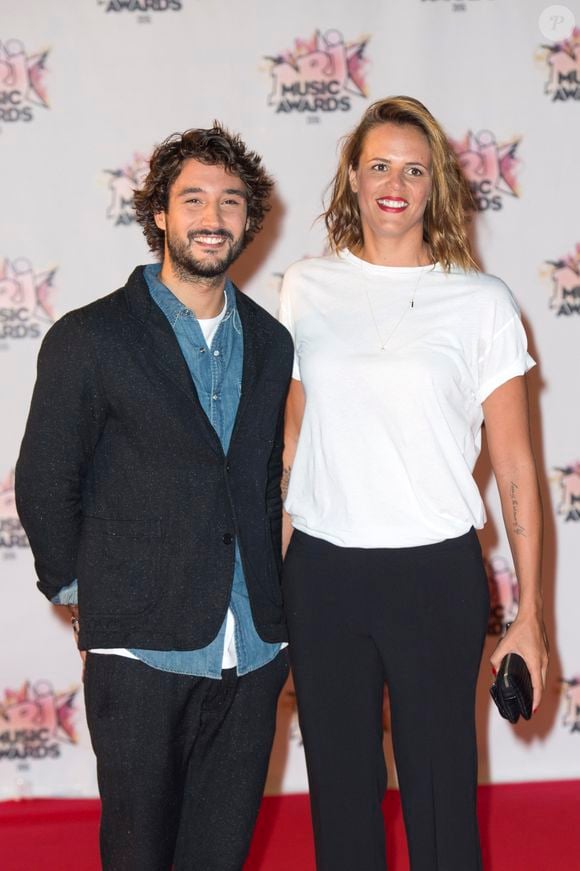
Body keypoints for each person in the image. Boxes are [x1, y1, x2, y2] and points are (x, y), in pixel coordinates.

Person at [279, 96, 549, 871]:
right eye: (379, 166)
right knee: (340, 792)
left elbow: (517, 467)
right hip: (323, 573)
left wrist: (529, 615)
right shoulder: (304, 287)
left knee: (440, 794)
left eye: (414, 168)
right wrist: (268, 580)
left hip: (434, 573)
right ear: (353, 180)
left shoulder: (483, 303)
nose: (394, 182)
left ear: (437, 186)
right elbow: (292, 444)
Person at [16, 124, 293, 871]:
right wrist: (90, 598)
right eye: (194, 198)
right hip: (138, 651)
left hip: (254, 648)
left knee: (219, 856)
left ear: (249, 217)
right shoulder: (90, 336)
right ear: (160, 215)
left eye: (231, 200)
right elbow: (44, 479)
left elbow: (264, 483)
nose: (214, 216)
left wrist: (278, 610)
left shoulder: (272, 343)